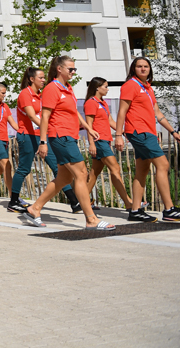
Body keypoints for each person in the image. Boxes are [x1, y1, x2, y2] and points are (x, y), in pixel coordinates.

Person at [21, 56, 113, 229]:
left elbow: (74, 112)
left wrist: (88, 128)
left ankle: (35, 208)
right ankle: (91, 219)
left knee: (65, 177)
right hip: (60, 136)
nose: (73, 72)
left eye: (74, 69)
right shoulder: (51, 88)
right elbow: (45, 116)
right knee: (81, 174)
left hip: (70, 135)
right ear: (59, 69)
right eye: (70, 69)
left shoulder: (68, 88)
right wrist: (42, 141)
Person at [115, 57, 180, 222]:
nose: (143, 69)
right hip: (138, 131)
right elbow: (122, 111)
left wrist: (173, 132)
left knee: (142, 170)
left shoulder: (147, 88)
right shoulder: (130, 85)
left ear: (150, 69)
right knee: (163, 164)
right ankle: (169, 209)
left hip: (147, 132)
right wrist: (118, 135)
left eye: (146, 66)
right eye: (139, 66)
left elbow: (158, 114)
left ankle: (135, 211)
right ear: (133, 69)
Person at [11, 67, 77, 214]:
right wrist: (48, 127)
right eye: (40, 78)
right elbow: (32, 116)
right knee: (24, 168)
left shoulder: (41, 94)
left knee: (57, 167)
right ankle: (13, 200)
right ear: (31, 79)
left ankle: (74, 201)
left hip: (41, 134)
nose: (43, 80)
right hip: (27, 135)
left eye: (43, 78)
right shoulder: (25, 94)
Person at [83, 76, 133, 211]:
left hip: (106, 140)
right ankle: (128, 203)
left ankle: (81, 201)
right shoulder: (91, 103)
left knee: (94, 174)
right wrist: (92, 144)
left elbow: (110, 121)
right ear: (97, 87)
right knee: (115, 169)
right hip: (99, 141)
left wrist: (122, 132)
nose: (107, 89)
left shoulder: (103, 103)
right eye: (105, 86)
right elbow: (89, 125)